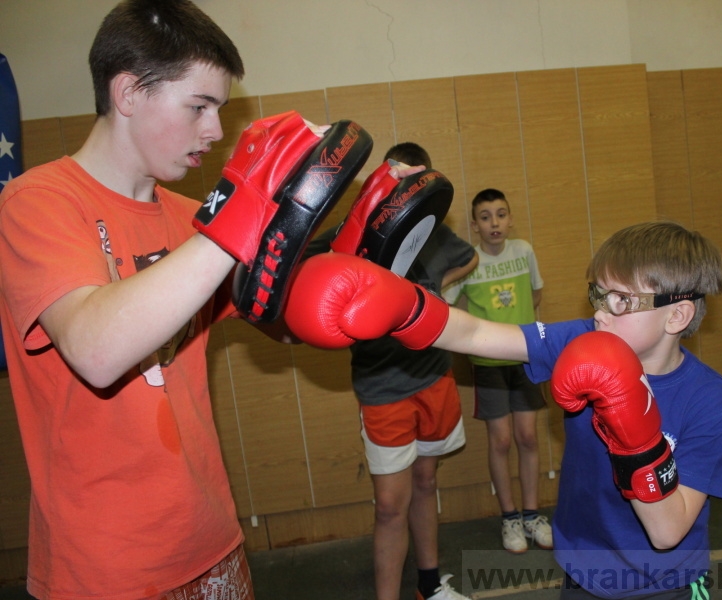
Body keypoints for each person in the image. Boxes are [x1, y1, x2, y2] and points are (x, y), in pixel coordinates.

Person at [0, 1, 359, 597]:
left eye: (218, 110)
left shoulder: (192, 221)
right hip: (103, 571)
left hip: (211, 541)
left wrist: (356, 263)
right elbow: (95, 349)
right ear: (128, 92)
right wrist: (242, 212)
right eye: (199, 106)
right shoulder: (37, 202)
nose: (216, 131)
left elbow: (286, 318)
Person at [286, 220, 722, 599]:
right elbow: (478, 336)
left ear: (677, 316)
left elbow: (667, 534)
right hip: (584, 574)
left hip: (667, 586)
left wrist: (635, 436)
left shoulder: (710, 401)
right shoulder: (583, 341)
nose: (602, 312)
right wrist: (404, 306)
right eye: (599, 294)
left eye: (622, 300)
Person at [302, 142, 478, 600]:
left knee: (426, 482)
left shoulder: (435, 233)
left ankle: (428, 586)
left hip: (435, 377)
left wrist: (438, 290)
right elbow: (304, 268)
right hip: (383, 389)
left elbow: (469, 258)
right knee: (389, 507)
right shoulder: (353, 237)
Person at [443, 188, 551, 554]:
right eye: (486, 217)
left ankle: (532, 515)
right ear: (474, 225)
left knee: (528, 437)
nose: (495, 223)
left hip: (524, 359)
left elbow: (535, 295)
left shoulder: (524, 251)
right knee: (501, 440)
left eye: (501, 214)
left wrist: (516, 327)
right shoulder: (467, 261)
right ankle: (509, 518)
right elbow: (449, 303)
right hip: (488, 366)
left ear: (510, 219)